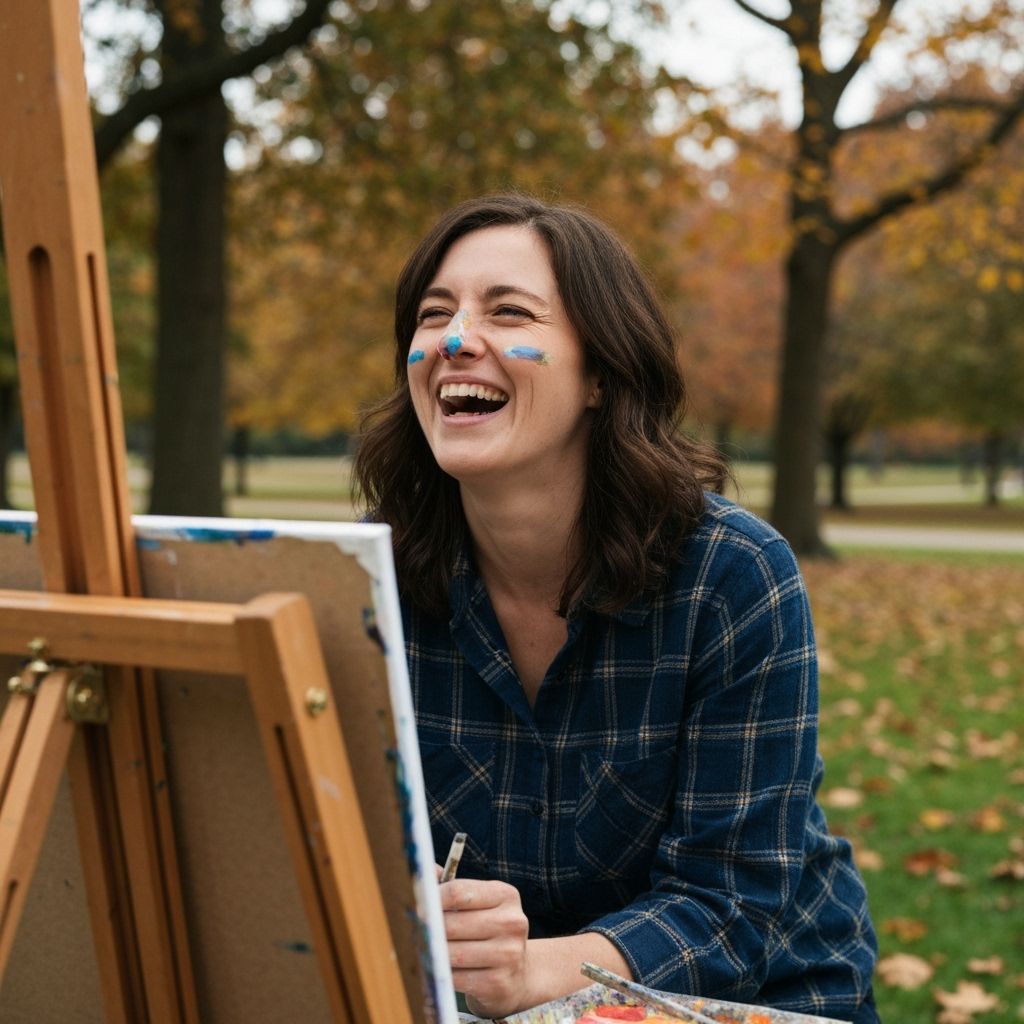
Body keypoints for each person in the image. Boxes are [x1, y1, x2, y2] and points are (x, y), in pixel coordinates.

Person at [355, 194, 878, 1023]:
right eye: (433, 314)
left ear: (601, 374)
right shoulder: (367, 582)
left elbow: (731, 909)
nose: (455, 340)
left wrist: (530, 970)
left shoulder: (733, 576)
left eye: (509, 312)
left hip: (753, 997)